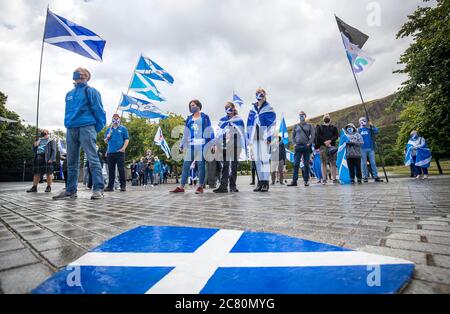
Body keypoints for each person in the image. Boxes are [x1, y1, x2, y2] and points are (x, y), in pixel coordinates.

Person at [53, 68, 106, 200]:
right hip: (71, 128)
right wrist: (68, 124)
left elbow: (99, 111)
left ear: (88, 77)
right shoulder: (69, 94)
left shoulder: (91, 91)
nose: (80, 76)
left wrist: (95, 128)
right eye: (78, 74)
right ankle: (71, 190)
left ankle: (98, 189)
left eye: (83, 74)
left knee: (93, 159)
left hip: (87, 127)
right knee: (71, 161)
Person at [170, 99, 214, 194]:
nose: (191, 107)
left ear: (198, 106)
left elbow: (209, 130)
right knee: (186, 166)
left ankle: (200, 187)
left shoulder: (205, 117)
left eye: (193, 105)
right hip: (191, 145)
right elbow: (186, 132)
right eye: (190, 106)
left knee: (201, 166)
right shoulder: (189, 118)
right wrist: (182, 144)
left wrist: (212, 143)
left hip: (202, 145)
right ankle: (181, 187)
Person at [246, 89, 276, 192]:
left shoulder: (269, 108)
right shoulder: (252, 109)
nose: (259, 96)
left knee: (264, 160)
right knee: (257, 161)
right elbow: (249, 124)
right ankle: (260, 182)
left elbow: (272, 124)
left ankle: (266, 183)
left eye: (261, 94)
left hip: (264, 136)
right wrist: (248, 137)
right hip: (254, 137)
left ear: (264, 96)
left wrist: (269, 137)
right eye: (257, 94)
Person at [213, 102, 246, 193]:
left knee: (234, 165)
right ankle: (223, 186)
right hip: (225, 145)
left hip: (236, 145)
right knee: (225, 166)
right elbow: (218, 133)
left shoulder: (239, 120)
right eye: (226, 108)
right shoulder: (222, 120)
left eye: (229, 107)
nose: (228, 109)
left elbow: (242, 133)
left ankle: (233, 186)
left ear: (233, 108)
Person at [288, 111, 315, 187]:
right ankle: (294, 181)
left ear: (305, 116)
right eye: (300, 115)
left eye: (302, 115)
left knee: (306, 164)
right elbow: (292, 136)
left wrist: (309, 143)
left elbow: (313, 135)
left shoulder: (309, 125)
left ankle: (306, 181)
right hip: (298, 147)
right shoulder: (295, 126)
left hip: (306, 146)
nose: (301, 116)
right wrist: (294, 144)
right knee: (296, 164)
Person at [104, 114, 129, 192]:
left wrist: (123, 148)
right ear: (112, 119)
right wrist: (107, 137)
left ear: (119, 119)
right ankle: (110, 186)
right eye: (114, 118)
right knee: (111, 170)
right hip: (110, 153)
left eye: (117, 118)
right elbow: (105, 141)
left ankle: (123, 186)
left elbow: (127, 139)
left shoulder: (123, 128)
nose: (115, 119)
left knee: (121, 169)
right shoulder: (109, 129)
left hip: (119, 152)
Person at [358, 117, 383, 183]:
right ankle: (365, 177)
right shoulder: (358, 130)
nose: (363, 122)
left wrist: (372, 125)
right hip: (362, 148)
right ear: (359, 122)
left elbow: (376, 131)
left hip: (370, 148)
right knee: (363, 163)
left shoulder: (369, 129)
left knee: (373, 162)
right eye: (361, 121)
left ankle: (375, 176)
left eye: (364, 120)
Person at [315, 113, 339, 185]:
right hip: (323, 146)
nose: (326, 117)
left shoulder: (334, 127)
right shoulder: (319, 127)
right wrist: (325, 142)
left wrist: (330, 141)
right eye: (325, 117)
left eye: (328, 116)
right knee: (323, 162)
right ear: (323, 119)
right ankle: (324, 179)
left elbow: (336, 136)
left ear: (330, 118)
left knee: (333, 162)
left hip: (332, 146)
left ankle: (334, 179)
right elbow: (318, 136)